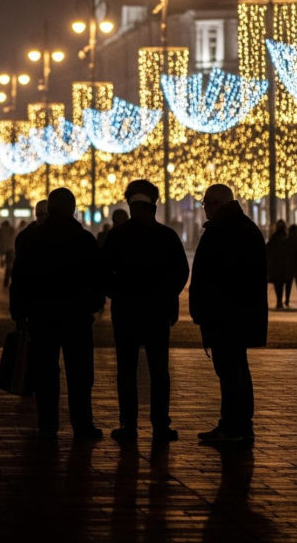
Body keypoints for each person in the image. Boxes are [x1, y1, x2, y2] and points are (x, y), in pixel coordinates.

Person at [10, 187, 104, 440]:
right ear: (72, 209)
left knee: (45, 372)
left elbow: (19, 277)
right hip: (77, 315)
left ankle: (48, 423)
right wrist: (93, 304)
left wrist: (19, 312)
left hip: (42, 314)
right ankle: (82, 424)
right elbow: (98, 277)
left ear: (49, 209)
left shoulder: (33, 239)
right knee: (80, 374)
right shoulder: (83, 239)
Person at [102, 180, 189, 443]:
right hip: (157, 312)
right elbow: (181, 272)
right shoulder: (166, 236)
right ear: (153, 207)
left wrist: (118, 293)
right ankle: (160, 425)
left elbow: (103, 274)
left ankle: (128, 424)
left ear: (130, 206)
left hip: (126, 311)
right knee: (159, 370)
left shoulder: (117, 236)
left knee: (127, 370)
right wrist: (166, 294)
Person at [188, 183, 267, 443]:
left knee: (231, 372)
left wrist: (206, 312)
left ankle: (233, 426)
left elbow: (215, 277)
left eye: (207, 203)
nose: (204, 208)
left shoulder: (223, 231)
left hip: (225, 316)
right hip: (238, 314)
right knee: (237, 370)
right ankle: (239, 425)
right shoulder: (243, 228)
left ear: (218, 204)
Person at [266, 219, 289, 310]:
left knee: (277, 284)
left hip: (275, 265)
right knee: (281, 284)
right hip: (283, 265)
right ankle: (280, 301)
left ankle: (278, 301)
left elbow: (267, 250)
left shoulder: (273, 238)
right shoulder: (286, 238)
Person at [0, 220, 17, 287]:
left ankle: (6, 282)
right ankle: (7, 281)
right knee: (10, 266)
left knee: (9, 267)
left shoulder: (0, 231)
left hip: (7, 251)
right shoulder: (12, 230)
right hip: (11, 250)